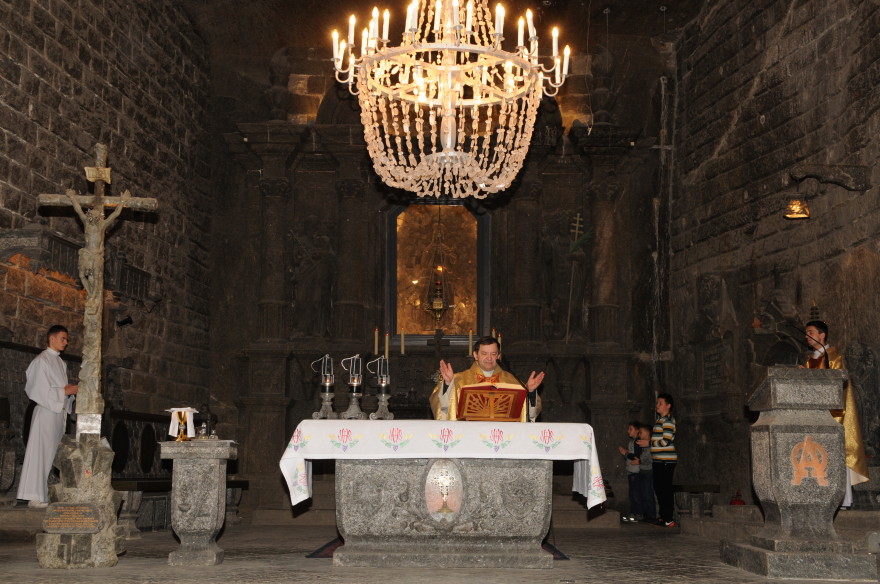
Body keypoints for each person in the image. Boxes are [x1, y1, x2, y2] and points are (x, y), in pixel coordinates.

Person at [802, 319, 869, 508]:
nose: (807, 336)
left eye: (811, 332)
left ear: (822, 335)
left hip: (834, 414)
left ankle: (842, 500)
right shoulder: (810, 360)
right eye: (806, 333)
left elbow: (838, 384)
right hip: (815, 416)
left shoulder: (833, 357)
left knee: (837, 454)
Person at [16, 325, 78, 508]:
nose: (66, 343)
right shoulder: (41, 361)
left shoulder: (60, 363)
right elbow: (36, 390)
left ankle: (43, 493)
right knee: (40, 454)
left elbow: (60, 390)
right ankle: (34, 496)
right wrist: (65, 391)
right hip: (45, 412)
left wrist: (69, 393)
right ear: (52, 338)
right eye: (63, 338)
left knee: (50, 455)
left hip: (57, 414)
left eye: (66, 339)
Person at [429, 336, 543, 422]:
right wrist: (448, 384)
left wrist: (530, 392)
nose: (489, 358)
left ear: (498, 356)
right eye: (484, 353)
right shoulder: (459, 380)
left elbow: (528, 414)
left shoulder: (512, 381)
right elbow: (441, 408)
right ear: (475, 355)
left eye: (493, 354)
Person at [650, 393, 676, 527]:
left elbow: (666, 441)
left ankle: (668, 518)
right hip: (659, 460)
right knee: (658, 488)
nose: (657, 405)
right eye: (657, 403)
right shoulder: (660, 421)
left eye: (660, 403)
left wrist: (649, 443)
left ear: (668, 406)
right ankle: (663, 516)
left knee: (664, 489)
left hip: (666, 460)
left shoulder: (668, 421)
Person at [618, 421, 641, 523]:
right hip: (630, 471)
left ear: (637, 431)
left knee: (636, 494)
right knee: (632, 494)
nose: (628, 431)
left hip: (636, 471)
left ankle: (638, 513)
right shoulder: (631, 442)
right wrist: (625, 454)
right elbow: (629, 457)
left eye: (630, 429)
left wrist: (626, 453)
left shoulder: (638, 442)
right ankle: (633, 513)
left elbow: (636, 457)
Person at [635, 423, 656, 523]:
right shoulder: (643, 445)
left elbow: (649, 458)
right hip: (642, 471)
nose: (639, 434)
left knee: (648, 494)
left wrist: (640, 460)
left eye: (641, 432)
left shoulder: (651, 445)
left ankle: (651, 516)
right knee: (643, 494)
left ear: (648, 434)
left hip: (648, 471)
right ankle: (646, 515)